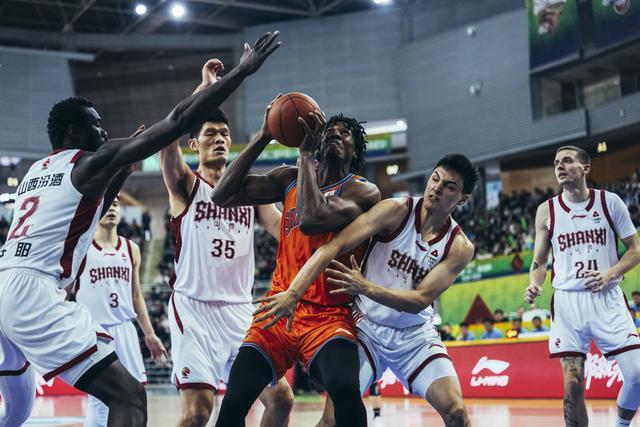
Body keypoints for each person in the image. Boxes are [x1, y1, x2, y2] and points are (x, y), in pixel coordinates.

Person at [0, 31, 280, 427]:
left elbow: (87, 214)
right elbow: (176, 123)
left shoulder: (36, 172)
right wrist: (242, 72)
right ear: (74, 134)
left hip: (5, 285)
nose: (104, 133)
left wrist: (120, 175)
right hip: (35, 293)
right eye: (96, 126)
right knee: (129, 397)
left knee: (17, 410)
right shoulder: (88, 161)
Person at [257, 154, 478, 427]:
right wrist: (293, 292)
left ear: (462, 199)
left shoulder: (459, 247)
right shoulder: (395, 210)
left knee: (457, 413)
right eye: (435, 178)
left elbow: (420, 299)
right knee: (332, 420)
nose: (437, 188)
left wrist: (365, 287)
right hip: (366, 329)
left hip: (414, 337)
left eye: (449, 186)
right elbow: (334, 245)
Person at [211, 105, 381, 426]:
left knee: (345, 391)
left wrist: (304, 156)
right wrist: (263, 136)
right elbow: (222, 194)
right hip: (279, 308)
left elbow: (311, 219)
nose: (335, 134)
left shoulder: (362, 191)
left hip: (328, 315)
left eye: (345, 133)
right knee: (235, 399)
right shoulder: (289, 178)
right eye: (330, 130)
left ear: (355, 151)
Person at [158, 62, 293, 427]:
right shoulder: (187, 185)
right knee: (197, 413)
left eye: (224, 134)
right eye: (210, 133)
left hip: (240, 312)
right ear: (194, 144)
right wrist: (204, 89)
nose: (219, 138)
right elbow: (167, 141)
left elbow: (283, 228)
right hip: (195, 309)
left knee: (281, 400)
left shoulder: (249, 191)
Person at [525, 146, 640, 427]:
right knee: (573, 385)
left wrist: (609, 274)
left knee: (637, 376)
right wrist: (534, 284)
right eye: (556, 163)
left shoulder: (610, 202)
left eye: (567, 161)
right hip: (568, 304)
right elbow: (539, 262)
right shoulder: (547, 211)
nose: (559, 166)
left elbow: (635, 250)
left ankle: (621, 424)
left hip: (607, 298)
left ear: (585, 167)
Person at [71, 197, 168, 427]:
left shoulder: (131, 249)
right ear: (96, 210)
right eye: (106, 205)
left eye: (115, 204)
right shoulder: (81, 248)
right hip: (94, 332)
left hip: (125, 329)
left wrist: (150, 334)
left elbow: (136, 296)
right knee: (100, 401)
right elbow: (65, 293)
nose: (112, 208)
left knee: (135, 393)